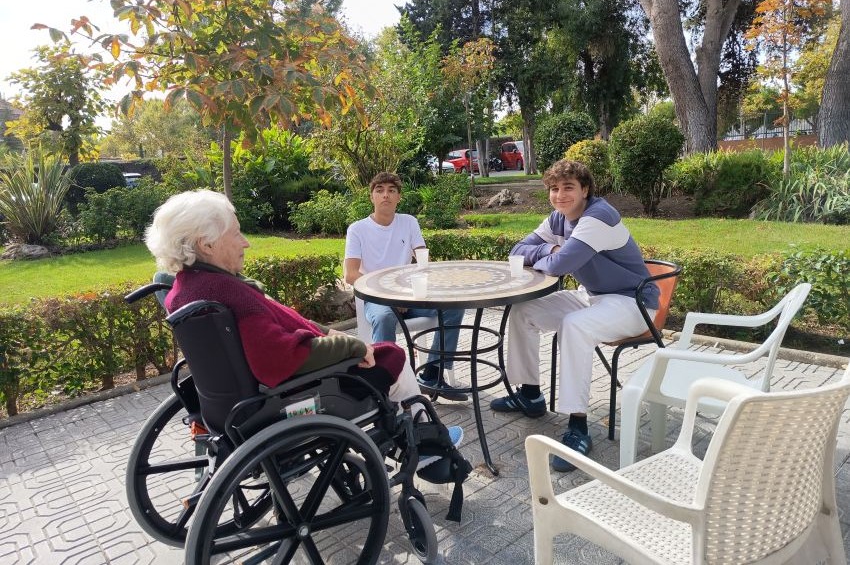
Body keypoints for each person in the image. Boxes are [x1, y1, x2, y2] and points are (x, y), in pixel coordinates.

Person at [144, 189, 462, 460]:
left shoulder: (188, 288)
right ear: (207, 244)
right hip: (291, 398)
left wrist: (324, 331)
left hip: (238, 406)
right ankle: (424, 447)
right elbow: (278, 358)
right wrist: (352, 346)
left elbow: (275, 326)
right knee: (392, 356)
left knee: (378, 352)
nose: (246, 243)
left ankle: (413, 437)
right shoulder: (228, 292)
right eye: (237, 233)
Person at [490, 160, 659, 472]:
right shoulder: (559, 217)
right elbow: (517, 251)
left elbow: (560, 266)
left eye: (568, 187)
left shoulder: (599, 215)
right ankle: (530, 395)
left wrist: (551, 255)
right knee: (524, 310)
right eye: (554, 189)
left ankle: (578, 426)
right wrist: (549, 251)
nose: (559, 195)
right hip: (592, 296)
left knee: (574, 326)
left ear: (585, 189)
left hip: (632, 303)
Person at [344, 172, 466, 400]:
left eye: (391, 190)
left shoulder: (409, 222)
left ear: (399, 197)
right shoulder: (357, 229)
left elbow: (423, 260)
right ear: (371, 197)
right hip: (377, 298)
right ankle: (386, 385)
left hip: (411, 295)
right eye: (379, 190)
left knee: (453, 307)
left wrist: (410, 290)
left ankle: (432, 374)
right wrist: (390, 296)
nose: (385, 195)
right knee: (384, 317)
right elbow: (350, 274)